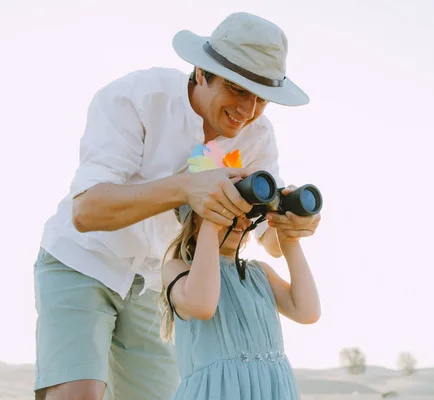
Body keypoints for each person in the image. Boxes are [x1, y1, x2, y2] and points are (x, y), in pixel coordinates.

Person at [34, 12, 321, 400]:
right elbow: (86, 212)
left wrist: (290, 229)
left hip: (161, 282)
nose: (248, 110)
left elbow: (265, 240)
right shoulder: (136, 97)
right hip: (85, 260)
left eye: (261, 98)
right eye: (238, 89)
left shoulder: (257, 139)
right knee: (78, 395)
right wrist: (187, 188)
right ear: (202, 72)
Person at [160, 152, 321, 400]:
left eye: (245, 213)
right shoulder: (178, 269)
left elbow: (307, 312)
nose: (239, 219)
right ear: (193, 219)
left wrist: (289, 241)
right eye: (227, 209)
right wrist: (213, 223)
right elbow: (203, 306)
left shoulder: (259, 274)